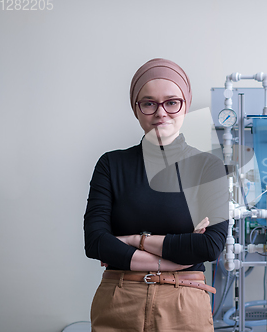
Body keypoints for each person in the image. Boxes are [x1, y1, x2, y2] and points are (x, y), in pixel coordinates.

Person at [84, 58, 228, 332]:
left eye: (172, 102)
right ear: (136, 109)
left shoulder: (208, 167)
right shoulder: (111, 165)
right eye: (149, 103)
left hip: (185, 303)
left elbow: (209, 246)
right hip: (119, 300)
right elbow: (95, 243)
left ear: (185, 104)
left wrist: (133, 240)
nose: (161, 113)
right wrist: (179, 257)